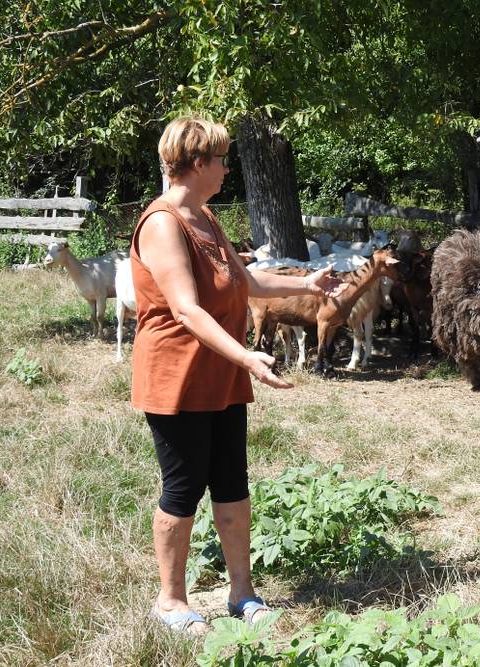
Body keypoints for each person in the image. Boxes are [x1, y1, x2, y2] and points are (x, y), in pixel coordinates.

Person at [131, 116, 342, 635]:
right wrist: (247, 357)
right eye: (222, 160)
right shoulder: (163, 224)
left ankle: (241, 593)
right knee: (183, 487)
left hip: (220, 371)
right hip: (177, 377)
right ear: (198, 163)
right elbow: (187, 310)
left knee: (231, 483)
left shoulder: (204, 217)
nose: (228, 169)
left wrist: (308, 283)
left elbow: (244, 281)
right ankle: (171, 602)